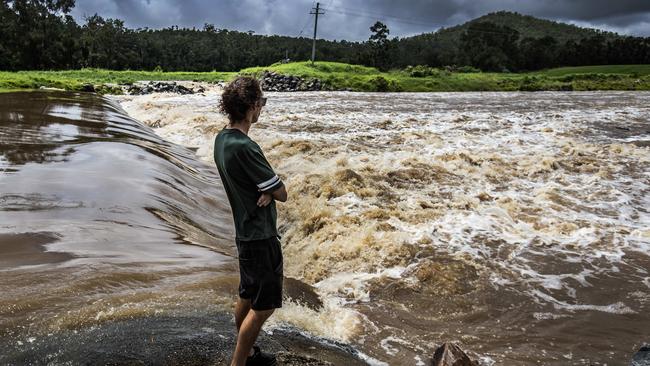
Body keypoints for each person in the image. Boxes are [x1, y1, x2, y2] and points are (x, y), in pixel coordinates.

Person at [214, 76, 288, 366]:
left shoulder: (222, 139)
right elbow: (282, 192)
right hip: (261, 235)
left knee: (246, 294)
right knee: (264, 307)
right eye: (261, 103)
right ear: (250, 107)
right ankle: (239, 362)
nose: (262, 109)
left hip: (244, 233)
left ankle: (248, 352)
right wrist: (270, 191)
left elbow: (252, 183)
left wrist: (265, 190)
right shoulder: (246, 146)